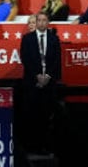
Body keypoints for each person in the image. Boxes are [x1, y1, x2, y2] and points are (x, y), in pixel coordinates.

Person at [21, 12, 62, 150]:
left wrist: (48, 76)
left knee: (47, 115)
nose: (42, 23)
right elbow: (26, 59)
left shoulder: (54, 39)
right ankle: (32, 146)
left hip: (49, 84)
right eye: (39, 20)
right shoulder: (27, 39)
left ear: (48, 22)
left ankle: (46, 146)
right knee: (32, 114)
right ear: (36, 22)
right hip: (32, 82)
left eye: (45, 20)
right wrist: (37, 76)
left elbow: (57, 60)